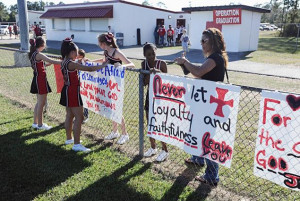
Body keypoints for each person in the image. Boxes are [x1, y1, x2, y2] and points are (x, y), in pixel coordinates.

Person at [174, 28, 229, 187]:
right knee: (197, 132)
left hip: (210, 106)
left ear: (213, 42)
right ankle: (197, 159)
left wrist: (185, 62)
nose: (202, 44)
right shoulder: (212, 58)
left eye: (204, 41)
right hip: (203, 104)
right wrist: (184, 64)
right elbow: (198, 72)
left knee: (208, 139)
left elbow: (198, 72)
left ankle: (212, 176)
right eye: (201, 41)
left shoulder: (216, 58)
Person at [60, 38, 107, 152]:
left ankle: (69, 139)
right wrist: (103, 65)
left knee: (69, 115)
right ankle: (76, 145)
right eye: (76, 52)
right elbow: (89, 68)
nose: (77, 54)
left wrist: (79, 62)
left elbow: (76, 64)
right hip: (73, 91)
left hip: (66, 89)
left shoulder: (64, 61)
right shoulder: (71, 64)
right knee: (79, 117)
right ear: (71, 52)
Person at [96, 33, 135, 144]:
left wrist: (122, 66)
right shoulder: (106, 52)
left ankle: (125, 134)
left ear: (103, 43)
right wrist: (91, 62)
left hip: (116, 85)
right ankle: (115, 131)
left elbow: (131, 64)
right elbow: (105, 61)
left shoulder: (116, 52)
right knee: (111, 108)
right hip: (108, 83)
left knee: (116, 109)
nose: (99, 45)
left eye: (99, 43)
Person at [141, 43, 169, 162]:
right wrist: (149, 75)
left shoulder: (161, 63)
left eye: (153, 54)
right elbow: (143, 83)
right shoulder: (144, 64)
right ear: (144, 56)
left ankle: (165, 150)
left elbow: (168, 81)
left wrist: (158, 73)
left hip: (161, 97)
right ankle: (153, 147)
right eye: (148, 55)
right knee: (150, 122)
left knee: (160, 123)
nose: (151, 57)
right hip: (150, 95)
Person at [29, 37, 61, 130]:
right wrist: (65, 61)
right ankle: (40, 125)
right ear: (42, 45)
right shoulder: (39, 54)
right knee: (41, 103)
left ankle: (35, 123)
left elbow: (40, 65)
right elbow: (52, 60)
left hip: (37, 79)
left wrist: (48, 65)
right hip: (40, 80)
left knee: (39, 102)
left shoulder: (33, 54)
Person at [76, 49, 90, 123]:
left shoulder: (85, 62)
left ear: (81, 56)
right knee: (78, 100)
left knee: (84, 100)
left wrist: (85, 61)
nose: (76, 55)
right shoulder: (75, 61)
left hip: (84, 84)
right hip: (77, 84)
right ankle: (79, 115)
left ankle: (86, 115)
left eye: (77, 54)